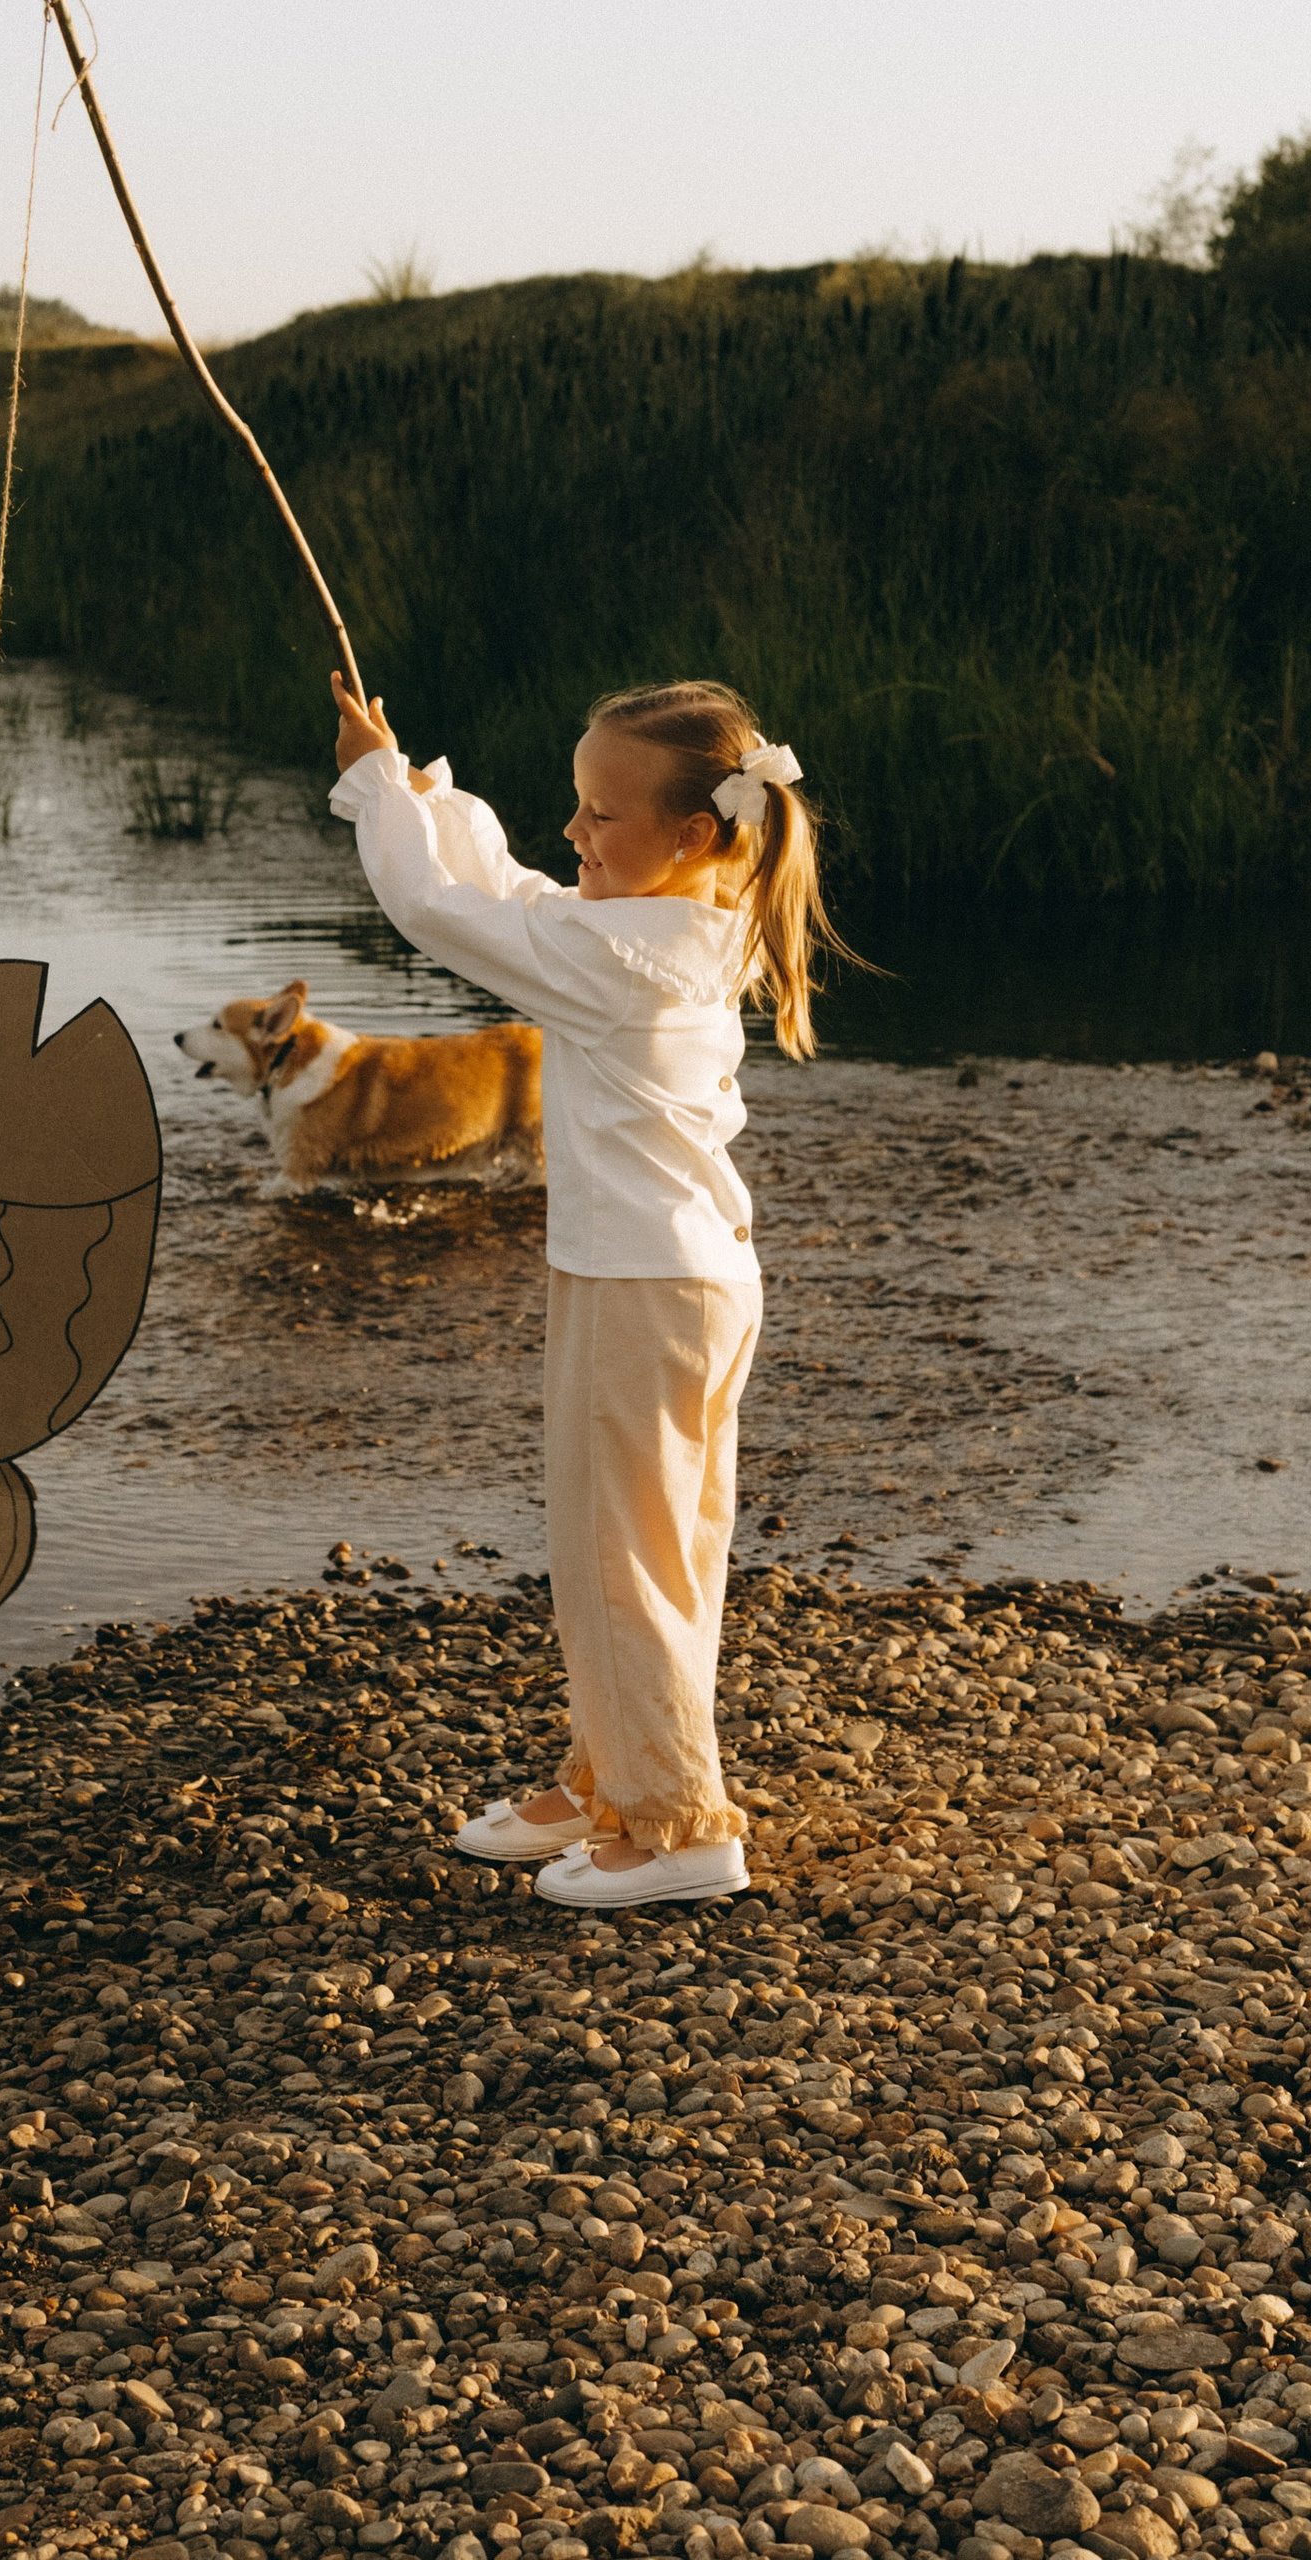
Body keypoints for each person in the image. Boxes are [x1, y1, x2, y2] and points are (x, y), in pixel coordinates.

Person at [327, 671, 850, 1911]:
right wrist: (416, 789)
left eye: (598, 814)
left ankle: (677, 1826)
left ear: (692, 834)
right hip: (675, 1279)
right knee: (650, 1548)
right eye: (573, 805)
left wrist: (370, 793)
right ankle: (616, 1774)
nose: (573, 833)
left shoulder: (625, 958)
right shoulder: (671, 925)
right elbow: (510, 897)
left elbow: (436, 911)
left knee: (621, 1558)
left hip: (644, 1288)